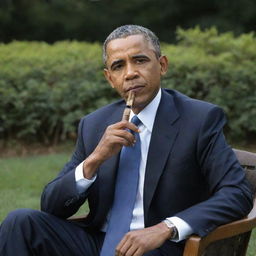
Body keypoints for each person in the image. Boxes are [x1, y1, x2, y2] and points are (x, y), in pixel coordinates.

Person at [0, 25, 253, 256]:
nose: (130, 73)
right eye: (119, 66)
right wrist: (94, 160)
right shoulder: (94, 124)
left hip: (160, 247)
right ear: (110, 78)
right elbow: (52, 207)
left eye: (140, 60)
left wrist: (166, 228)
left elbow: (236, 193)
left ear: (162, 65)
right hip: (99, 242)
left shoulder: (199, 119)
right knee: (20, 222)